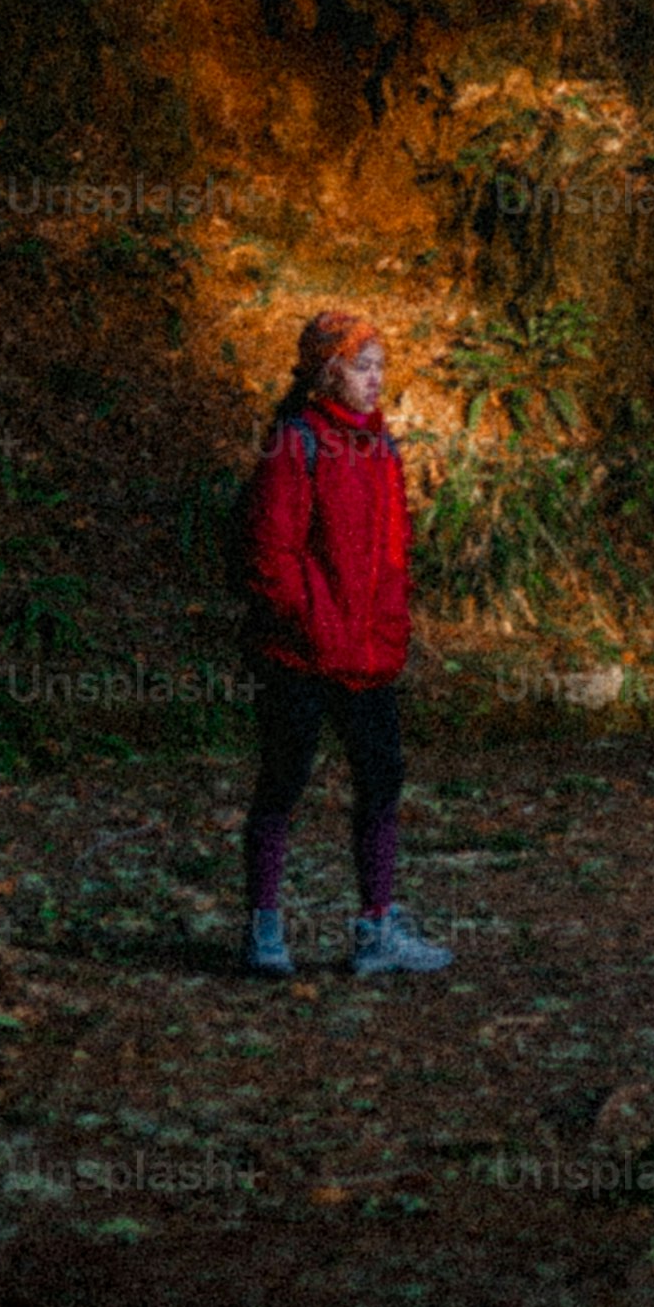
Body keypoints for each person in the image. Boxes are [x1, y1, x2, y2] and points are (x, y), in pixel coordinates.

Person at [231, 308, 450, 979]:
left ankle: (375, 929)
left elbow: (394, 554)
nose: (375, 379)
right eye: (362, 366)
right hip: (298, 653)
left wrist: (387, 628)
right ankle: (264, 928)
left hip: (368, 656)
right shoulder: (294, 443)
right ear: (328, 372)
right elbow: (271, 555)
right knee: (283, 782)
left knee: (381, 782)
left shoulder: (382, 447)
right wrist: (314, 624)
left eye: (380, 366)